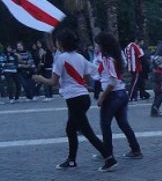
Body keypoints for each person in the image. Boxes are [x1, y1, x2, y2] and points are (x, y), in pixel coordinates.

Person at [32, 30, 115, 170]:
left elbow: (53, 81)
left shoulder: (60, 58)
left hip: (74, 99)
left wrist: (40, 79)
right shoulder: (80, 57)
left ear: (62, 43)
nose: (57, 44)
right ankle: (71, 160)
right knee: (70, 129)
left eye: (58, 41)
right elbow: (89, 75)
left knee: (87, 131)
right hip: (83, 97)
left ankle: (109, 157)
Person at [95, 32, 143, 169]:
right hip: (122, 93)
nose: (96, 47)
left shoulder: (107, 59)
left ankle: (108, 156)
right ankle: (135, 149)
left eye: (97, 44)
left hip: (112, 95)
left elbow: (112, 81)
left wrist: (102, 97)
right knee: (123, 123)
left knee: (105, 125)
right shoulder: (117, 55)